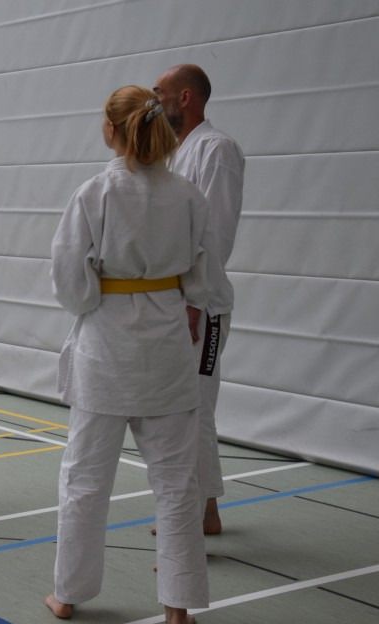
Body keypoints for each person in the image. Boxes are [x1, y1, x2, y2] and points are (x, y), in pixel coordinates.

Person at [46, 86, 211, 624]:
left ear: (112, 130)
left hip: (107, 348)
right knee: (177, 482)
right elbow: (205, 278)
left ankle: (69, 593)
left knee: (86, 478)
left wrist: (98, 299)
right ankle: (178, 609)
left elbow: (70, 280)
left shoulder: (95, 193)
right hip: (167, 345)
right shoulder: (187, 195)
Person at [154, 64, 245, 535]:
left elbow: (217, 236)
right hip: (173, 303)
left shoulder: (216, 150)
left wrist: (194, 300)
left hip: (203, 307)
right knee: (177, 409)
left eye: (160, 93)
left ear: (185, 97)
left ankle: (202, 513)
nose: (154, 101)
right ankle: (202, 509)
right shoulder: (172, 154)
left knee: (196, 408)